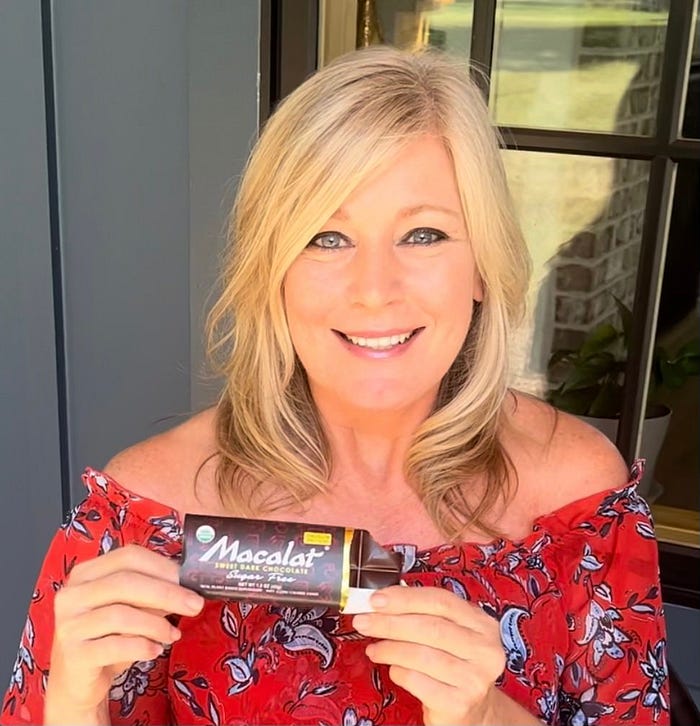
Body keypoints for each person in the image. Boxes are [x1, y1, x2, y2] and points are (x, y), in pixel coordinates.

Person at [1, 46, 669, 726]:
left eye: (424, 234)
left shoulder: (577, 499)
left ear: (481, 267)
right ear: (273, 270)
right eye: (326, 237)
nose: (374, 290)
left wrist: (486, 717)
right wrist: (73, 703)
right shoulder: (145, 514)